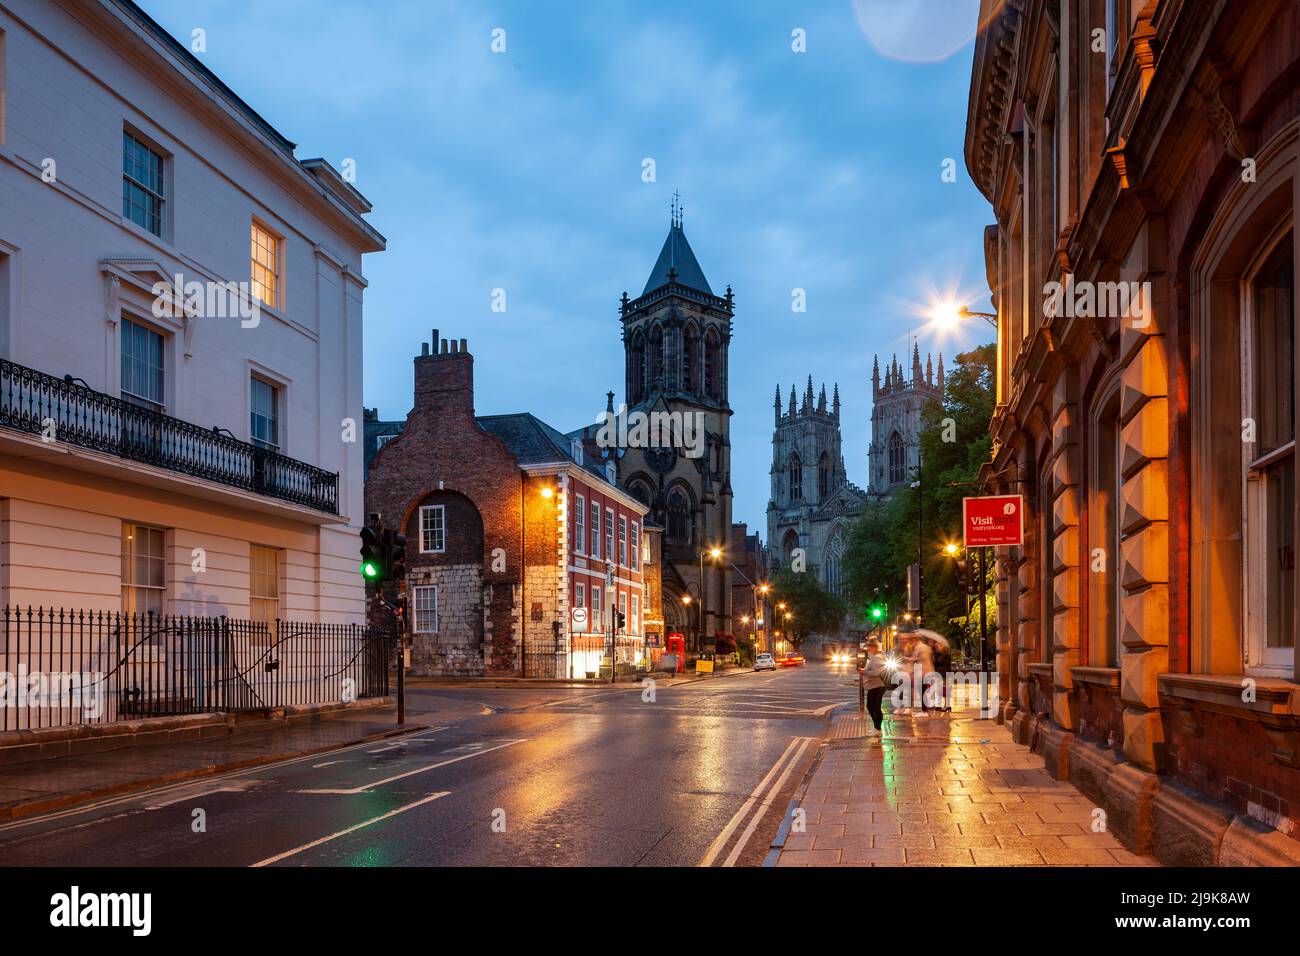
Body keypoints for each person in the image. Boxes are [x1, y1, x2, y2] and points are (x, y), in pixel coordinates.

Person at [858, 638, 888, 736]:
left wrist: (864, 672)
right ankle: (876, 727)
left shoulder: (877, 657)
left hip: (877, 685)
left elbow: (877, 672)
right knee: (871, 706)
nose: (869, 650)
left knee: (875, 707)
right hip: (874, 685)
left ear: (874, 647)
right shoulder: (877, 656)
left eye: (869, 648)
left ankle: (878, 729)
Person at [930, 637, 953, 713]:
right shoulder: (938, 654)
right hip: (939, 674)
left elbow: (946, 666)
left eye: (938, 646)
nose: (937, 647)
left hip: (944, 675)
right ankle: (940, 705)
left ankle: (947, 706)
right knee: (939, 690)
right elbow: (936, 664)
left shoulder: (946, 655)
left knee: (945, 691)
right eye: (936, 646)